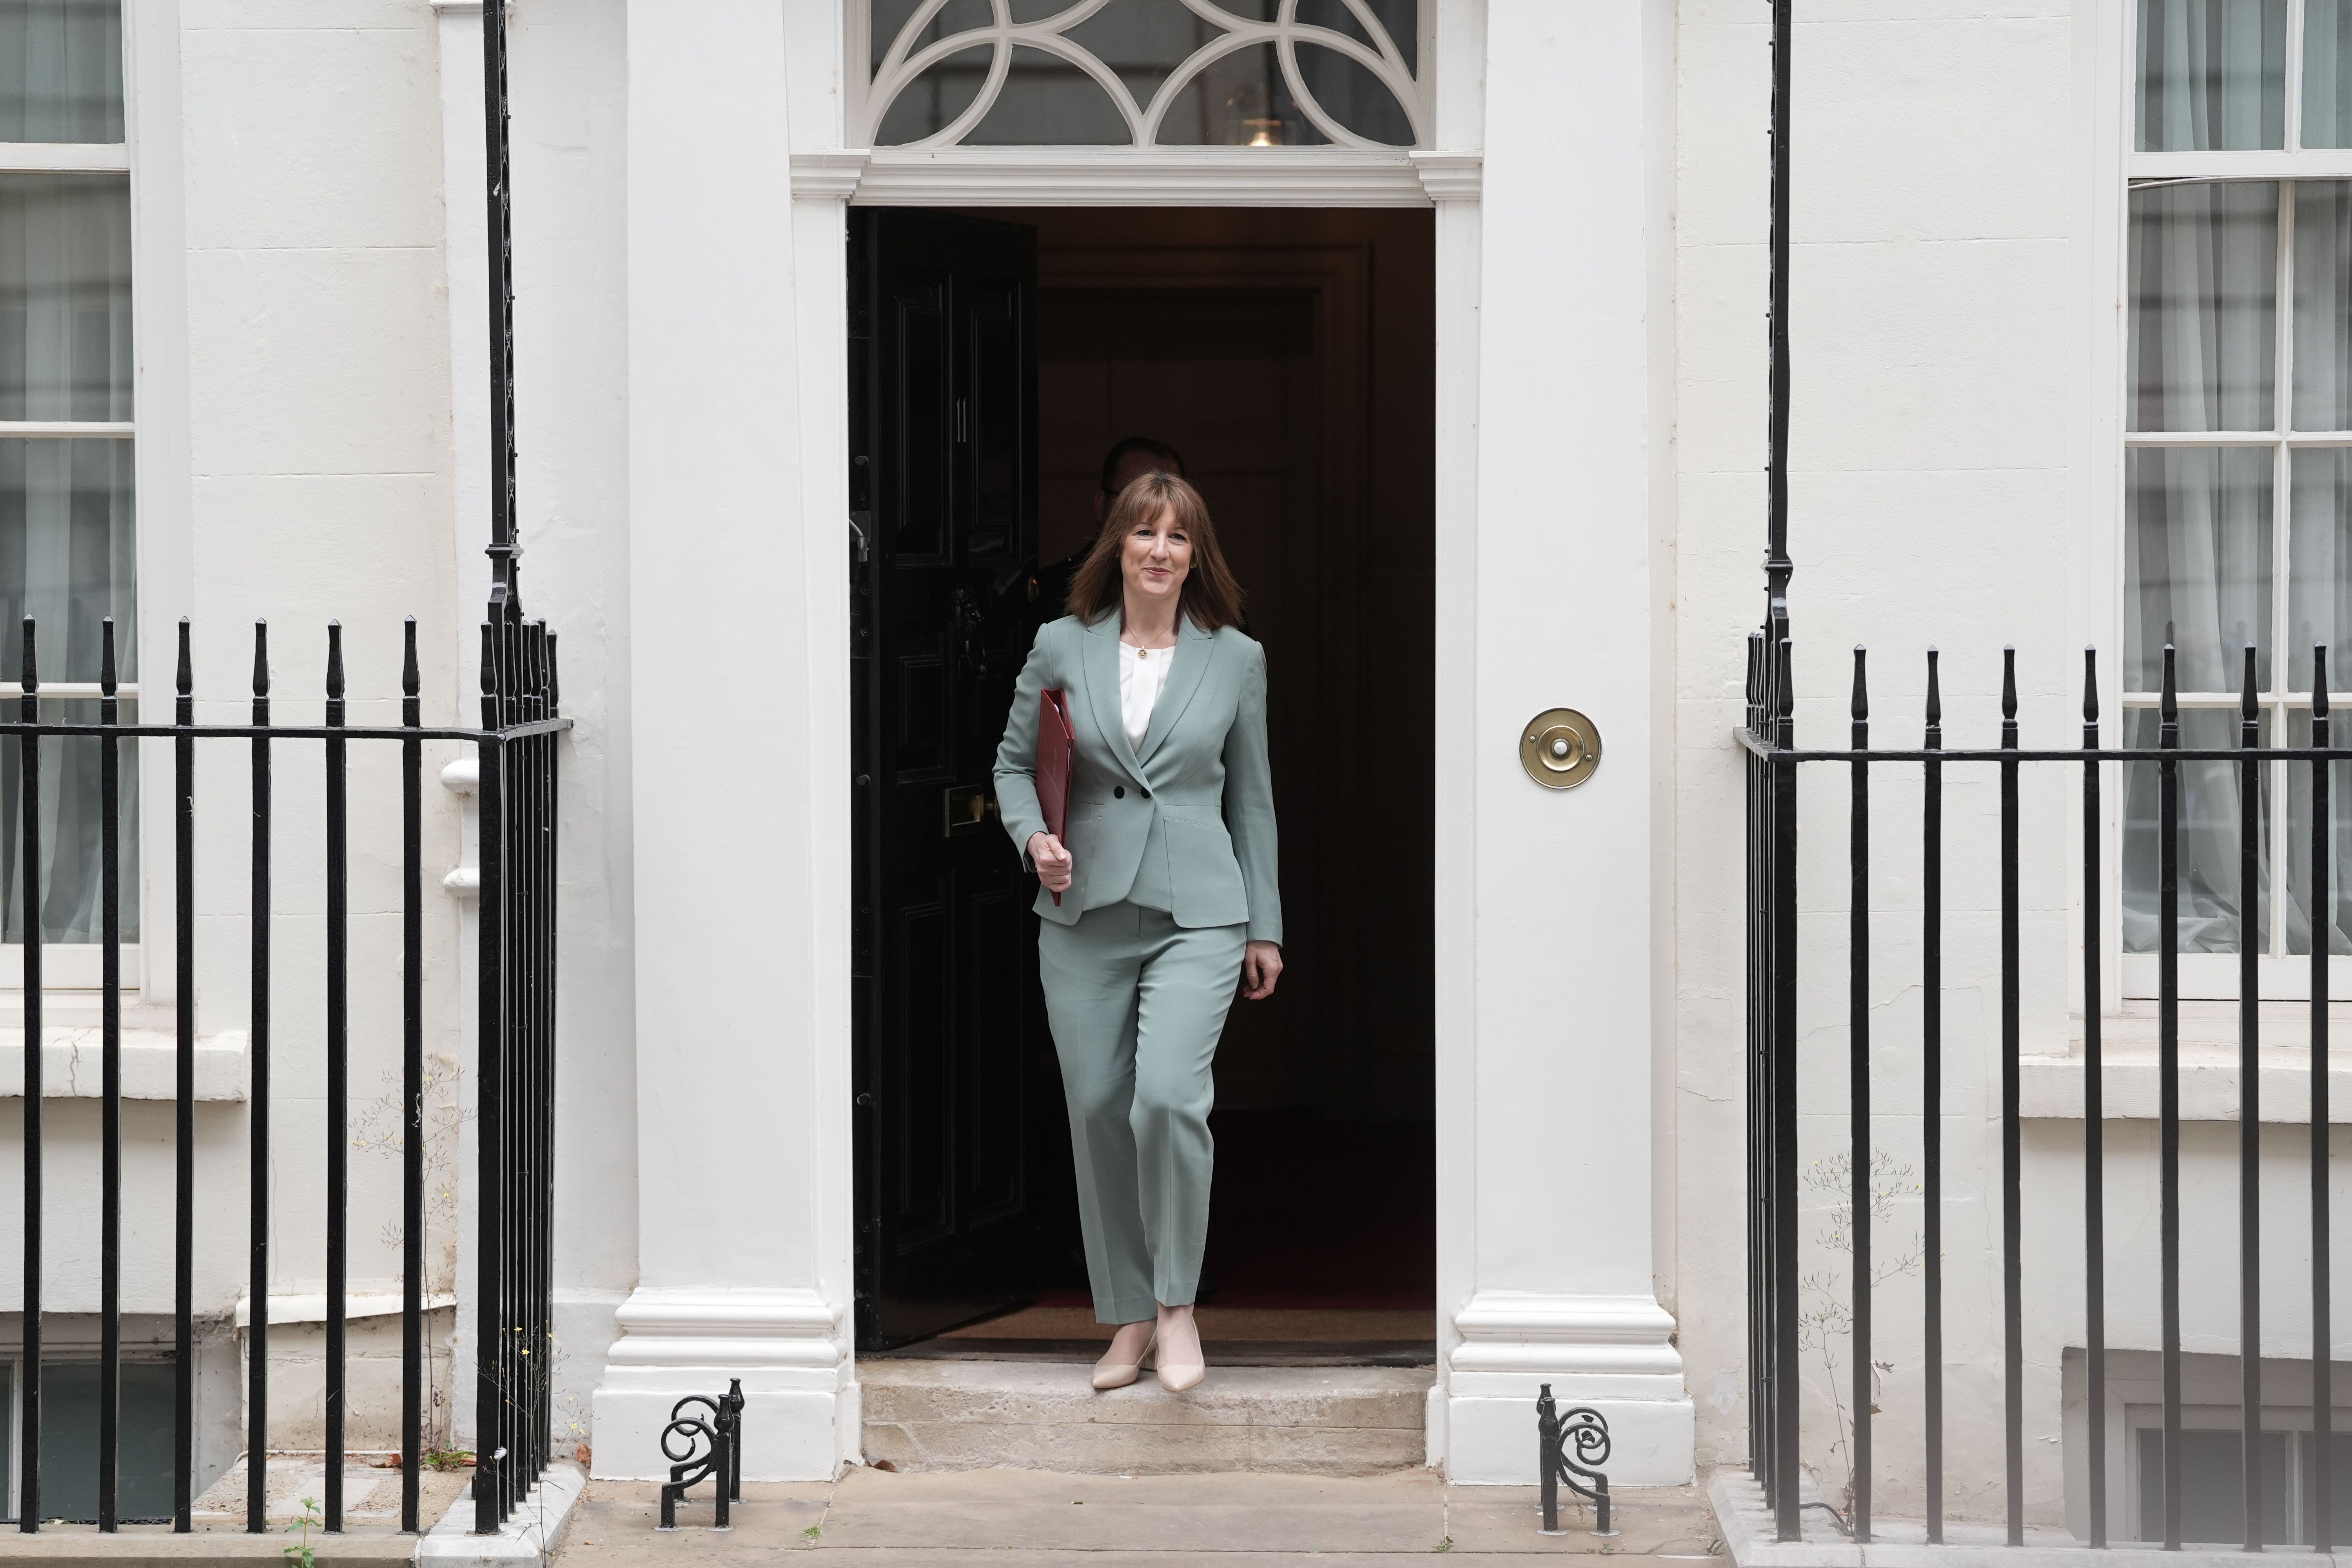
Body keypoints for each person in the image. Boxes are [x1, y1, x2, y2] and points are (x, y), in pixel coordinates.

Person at [993, 470, 1282, 1395]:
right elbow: (1009, 766)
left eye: (1179, 536)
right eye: (1144, 533)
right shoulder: (1059, 645)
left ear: (1198, 556)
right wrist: (1034, 836)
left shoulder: (1235, 657)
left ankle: (1176, 1305)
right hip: (1082, 917)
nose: (1161, 550)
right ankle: (1124, 1320)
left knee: (1166, 1099)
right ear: (1115, 545)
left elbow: (1255, 800)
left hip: (1200, 914)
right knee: (1097, 1112)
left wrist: (1264, 926)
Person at [1031, 436, 1189, 620]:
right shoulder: (1057, 590)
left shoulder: (1212, 622)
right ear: (1101, 505)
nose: (1154, 507)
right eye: (1131, 497)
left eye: (1169, 495)